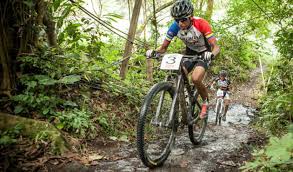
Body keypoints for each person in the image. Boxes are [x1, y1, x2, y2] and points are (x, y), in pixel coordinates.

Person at [146, 0, 220, 119]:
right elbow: (163, 48)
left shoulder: (201, 23)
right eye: (177, 20)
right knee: (179, 74)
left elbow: (216, 47)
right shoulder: (175, 27)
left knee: (195, 78)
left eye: (183, 20)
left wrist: (211, 54)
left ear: (190, 17)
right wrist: (154, 51)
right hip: (190, 53)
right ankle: (185, 100)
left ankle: (205, 102)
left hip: (204, 53)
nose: (180, 23)